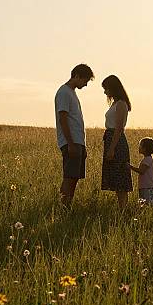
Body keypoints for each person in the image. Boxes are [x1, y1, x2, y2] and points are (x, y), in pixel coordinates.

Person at [55, 64, 94, 207]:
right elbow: (63, 118)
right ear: (76, 76)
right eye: (85, 80)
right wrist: (70, 143)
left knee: (75, 177)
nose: (85, 84)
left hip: (77, 141)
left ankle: (67, 205)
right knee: (69, 176)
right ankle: (63, 206)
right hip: (71, 142)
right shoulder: (64, 92)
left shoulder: (71, 92)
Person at [101, 75, 133, 210]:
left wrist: (112, 148)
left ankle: (123, 209)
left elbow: (119, 128)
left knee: (120, 177)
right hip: (110, 138)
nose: (105, 92)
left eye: (106, 88)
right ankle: (121, 208)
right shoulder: (115, 103)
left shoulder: (121, 104)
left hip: (116, 140)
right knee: (115, 177)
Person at [129, 137, 153, 206]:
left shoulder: (147, 159)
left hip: (147, 186)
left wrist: (130, 167)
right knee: (144, 203)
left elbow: (141, 171)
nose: (139, 147)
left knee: (148, 204)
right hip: (145, 185)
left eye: (140, 146)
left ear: (145, 149)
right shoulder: (148, 158)